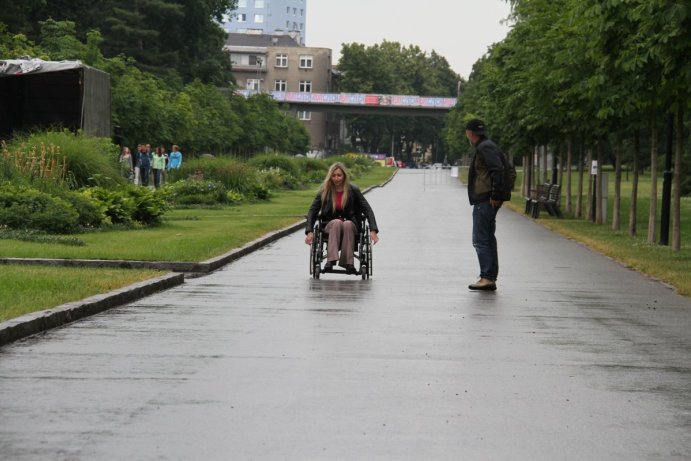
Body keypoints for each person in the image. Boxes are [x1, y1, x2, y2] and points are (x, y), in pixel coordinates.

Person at [305, 162, 380, 273]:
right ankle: (331, 260)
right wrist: (309, 231)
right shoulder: (324, 191)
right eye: (334, 175)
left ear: (344, 176)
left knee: (347, 224)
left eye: (339, 175)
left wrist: (373, 230)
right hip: (329, 225)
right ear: (330, 176)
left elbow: (367, 209)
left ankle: (348, 262)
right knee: (336, 222)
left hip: (351, 225)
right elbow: (313, 210)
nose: (336, 178)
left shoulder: (353, 190)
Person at [465, 118, 510, 291]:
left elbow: (497, 169)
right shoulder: (488, 145)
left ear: (469, 133)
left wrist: (496, 194)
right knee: (488, 238)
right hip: (486, 198)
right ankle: (489, 275)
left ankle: (487, 276)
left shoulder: (485, 147)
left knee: (480, 239)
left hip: (485, 199)